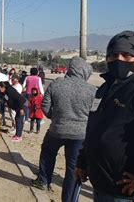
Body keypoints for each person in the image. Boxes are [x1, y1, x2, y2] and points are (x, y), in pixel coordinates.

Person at [75, 31, 134, 201]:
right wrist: (82, 163)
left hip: (126, 191)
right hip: (101, 183)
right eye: (112, 55)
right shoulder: (106, 88)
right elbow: (94, 129)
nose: (118, 59)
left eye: (126, 55)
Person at [31, 56, 96, 201]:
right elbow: (95, 115)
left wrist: (55, 118)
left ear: (70, 68)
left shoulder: (56, 84)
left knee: (47, 153)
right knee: (73, 168)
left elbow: (45, 106)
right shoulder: (92, 90)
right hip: (80, 135)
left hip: (57, 130)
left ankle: (43, 181)